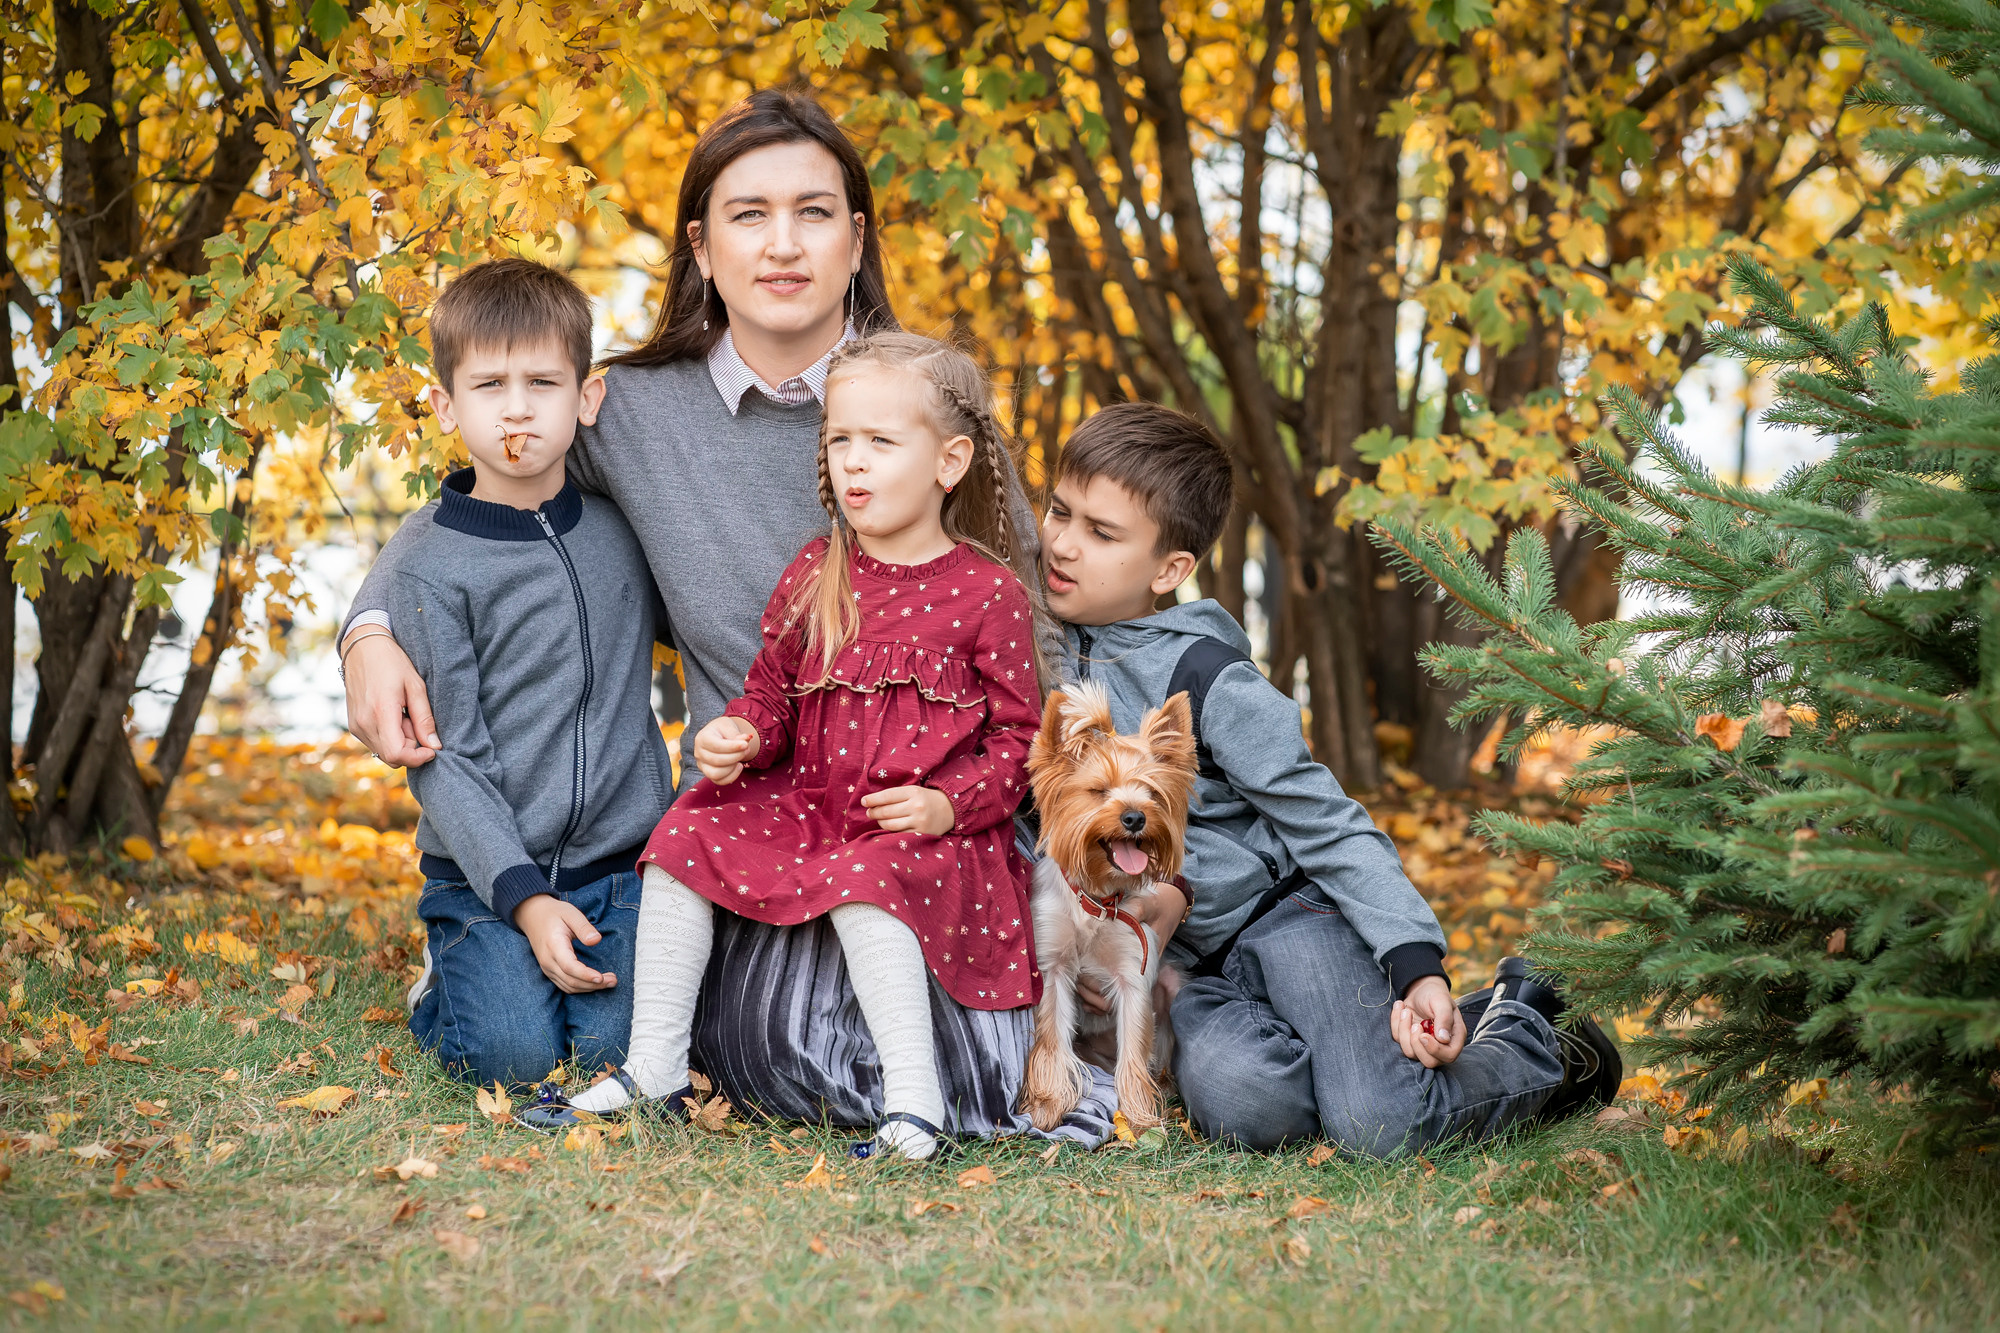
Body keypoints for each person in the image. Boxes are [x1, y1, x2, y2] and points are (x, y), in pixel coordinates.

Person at [341, 90, 1117, 1142]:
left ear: (857, 240)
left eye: (814, 212)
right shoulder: (628, 408)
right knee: (772, 1049)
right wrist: (370, 630)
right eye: (748, 215)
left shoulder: (925, 400)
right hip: (762, 804)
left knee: (921, 1040)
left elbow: (1042, 631)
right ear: (702, 247)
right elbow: (480, 507)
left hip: (928, 812)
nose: (783, 244)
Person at [1036, 402, 1622, 1155]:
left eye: (1101, 532)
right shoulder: (1032, 651)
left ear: (1170, 569)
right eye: (1059, 511)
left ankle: (1532, 1027)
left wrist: (1415, 967)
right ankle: (1360, 1060)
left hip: (1288, 921)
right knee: (1249, 1104)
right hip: (1198, 969)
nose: (1063, 543)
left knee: (1379, 1123)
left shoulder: (1206, 674)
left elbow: (1329, 821)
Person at [519, 333, 1045, 1160]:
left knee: (869, 872)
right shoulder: (819, 568)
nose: (854, 462)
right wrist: (742, 733)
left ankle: (914, 1104)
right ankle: (655, 1062)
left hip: (924, 833)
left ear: (949, 462)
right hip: (813, 804)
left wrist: (950, 802)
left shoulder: (987, 593)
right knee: (688, 828)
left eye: (881, 441)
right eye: (840, 440)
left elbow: (1021, 741)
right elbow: (772, 692)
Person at [359, 258, 674, 1087]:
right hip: (485, 875)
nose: (518, 408)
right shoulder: (430, 564)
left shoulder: (622, 531)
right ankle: (450, 976)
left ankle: (550, 968)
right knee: (509, 1058)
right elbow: (444, 758)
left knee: (625, 1055)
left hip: (622, 864)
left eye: (543, 381)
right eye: (489, 384)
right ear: (444, 405)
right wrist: (527, 901)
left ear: (588, 397)